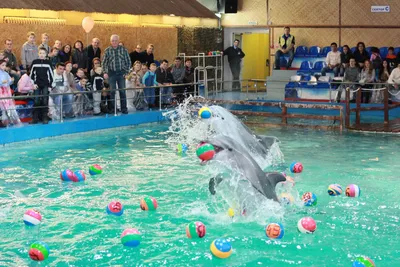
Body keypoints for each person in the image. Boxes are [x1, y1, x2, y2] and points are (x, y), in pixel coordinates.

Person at [102, 34, 131, 114]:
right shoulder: (107, 50)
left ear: (118, 41)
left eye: (115, 40)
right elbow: (104, 62)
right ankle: (113, 109)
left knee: (122, 92)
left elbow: (128, 62)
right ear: (110, 42)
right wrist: (105, 72)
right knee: (112, 92)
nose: (114, 42)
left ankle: (124, 109)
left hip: (121, 73)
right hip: (111, 73)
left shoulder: (124, 50)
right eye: (112, 41)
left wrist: (126, 72)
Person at [30, 47, 54, 124]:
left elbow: (51, 75)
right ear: (38, 54)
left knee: (45, 100)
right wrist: (33, 84)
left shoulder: (48, 63)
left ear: (46, 54)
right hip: (36, 85)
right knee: (36, 100)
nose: (42, 55)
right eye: (40, 53)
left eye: (43, 53)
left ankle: (44, 117)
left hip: (46, 85)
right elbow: (31, 75)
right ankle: (35, 118)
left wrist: (50, 86)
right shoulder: (34, 62)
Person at [0, 59, 21, 126]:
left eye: (5, 65)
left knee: (10, 106)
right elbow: (2, 82)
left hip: (6, 91)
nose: (4, 67)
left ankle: (11, 121)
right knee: (3, 108)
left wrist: (11, 80)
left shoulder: (6, 73)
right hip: (1, 92)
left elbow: (9, 82)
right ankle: (4, 121)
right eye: (2, 65)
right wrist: (5, 81)